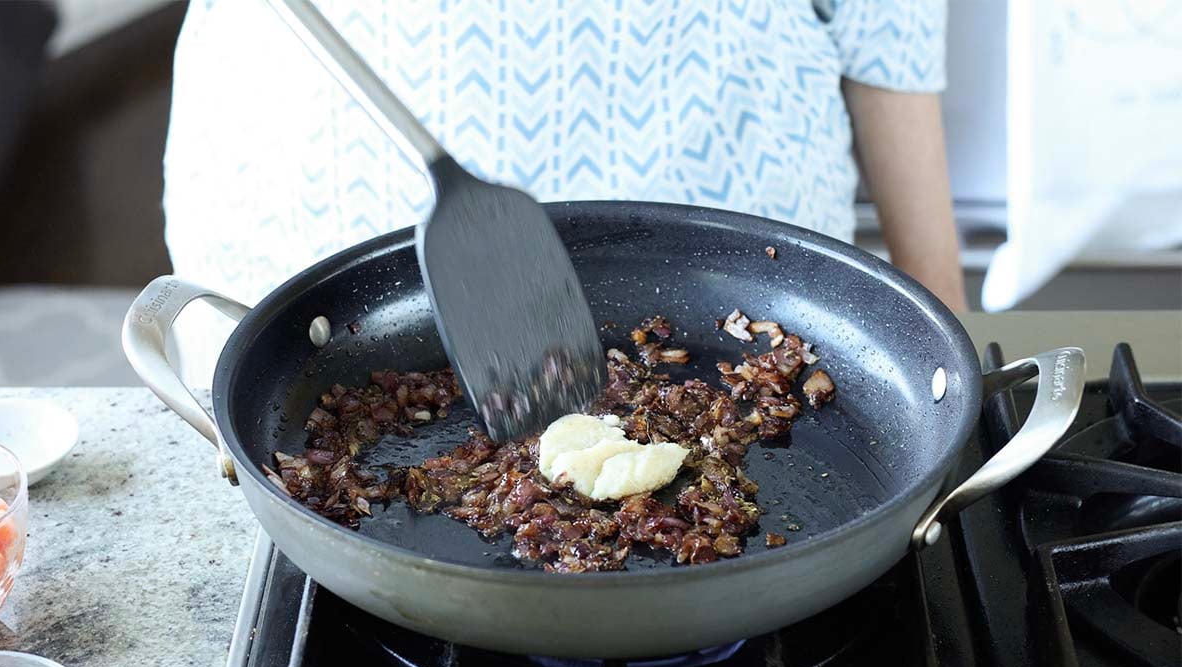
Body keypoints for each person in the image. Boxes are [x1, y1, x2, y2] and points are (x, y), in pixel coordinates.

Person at [163, 0, 965, 385]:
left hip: (753, 302)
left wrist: (943, 355)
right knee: (283, 444)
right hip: (314, 234)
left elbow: (889, 29)